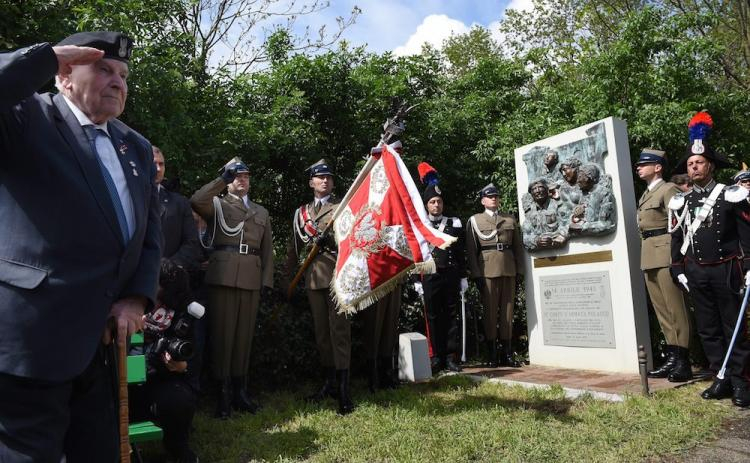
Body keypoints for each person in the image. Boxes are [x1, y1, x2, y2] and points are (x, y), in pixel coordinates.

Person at [0, 32, 161, 462]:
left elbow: (149, 235)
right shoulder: (25, 117)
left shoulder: (136, 147)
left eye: (124, 74)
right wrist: (42, 58)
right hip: (33, 342)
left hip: (101, 344)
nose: (118, 81)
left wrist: (134, 297)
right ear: (65, 76)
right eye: (104, 69)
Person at [669, 111, 750, 407]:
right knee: (708, 328)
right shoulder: (680, 201)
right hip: (696, 272)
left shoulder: (730, 194)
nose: (694, 167)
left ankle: (742, 381)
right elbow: (676, 239)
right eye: (690, 164)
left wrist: (749, 267)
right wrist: (677, 268)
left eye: (699, 162)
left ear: (710, 165)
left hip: (727, 270)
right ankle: (721, 377)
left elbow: (746, 235)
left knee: (734, 326)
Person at [190, 158, 273, 418]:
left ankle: (240, 392)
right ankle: (222, 395)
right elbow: (196, 200)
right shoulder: (217, 204)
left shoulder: (261, 212)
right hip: (223, 276)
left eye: (245, 175)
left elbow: (268, 251)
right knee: (223, 337)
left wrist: (266, 282)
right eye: (236, 176)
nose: (242, 179)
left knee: (243, 338)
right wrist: (221, 179)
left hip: (250, 278)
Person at [285, 159, 354, 415]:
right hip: (313, 279)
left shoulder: (342, 207)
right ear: (311, 182)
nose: (325, 181)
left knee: (339, 333)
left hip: (337, 277)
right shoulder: (302, 212)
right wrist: (286, 280)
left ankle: (345, 392)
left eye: (329, 178)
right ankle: (330, 383)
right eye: (320, 177)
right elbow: (294, 249)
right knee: (322, 334)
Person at [130, 259, 200, 463]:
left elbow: (192, 354)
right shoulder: (131, 306)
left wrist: (182, 366)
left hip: (162, 380)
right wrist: (131, 330)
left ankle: (177, 446)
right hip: (127, 384)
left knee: (179, 399)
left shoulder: (181, 314)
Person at [634, 149, 692, 382]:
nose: (638, 167)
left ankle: (683, 361)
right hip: (649, 254)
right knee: (662, 311)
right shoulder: (647, 193)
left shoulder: (668, 189)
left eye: (644, 164)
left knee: (676, 309)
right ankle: (672, 357)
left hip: (667, 253)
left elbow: (680, 224)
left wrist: (679, 257)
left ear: (658, 167)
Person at [413, 162, 467, 373]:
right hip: (430, 275)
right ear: (426, 204)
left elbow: (460, 251)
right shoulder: (420, 226)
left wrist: (463, 277)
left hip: (451, 274)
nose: (436, 205)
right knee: (433, 316)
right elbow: (415, 252)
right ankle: (435, 355)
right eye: (432, 202)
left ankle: (451, 356)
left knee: (452, 315)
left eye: (439, 201)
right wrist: (416, 280)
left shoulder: (454, 223)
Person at [466, 183, 524, 368]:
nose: (494, 199)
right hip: (487, 271)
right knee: (490, 313)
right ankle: (492, 353)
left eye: (496, 196)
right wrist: (476, 275)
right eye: (490, 196)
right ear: (483, 200)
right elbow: (471, 250)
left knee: (507, 312)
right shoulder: (475, 220)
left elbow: (518, 247)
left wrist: (520, 270)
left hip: (508, 269)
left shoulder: (509, 219)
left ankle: (506, 352)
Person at [153, 146, 200, 271]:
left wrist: (168, 269)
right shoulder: (126, 198)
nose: (158, 169)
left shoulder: (180, 203)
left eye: (161, 164)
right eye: (153, 163)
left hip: (167, 281)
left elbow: (192, 243)